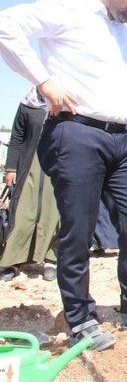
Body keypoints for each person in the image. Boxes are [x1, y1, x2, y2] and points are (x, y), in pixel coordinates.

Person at [0, 0, 127, 351]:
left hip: (120, 139)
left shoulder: (123, 30)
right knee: (78, 230)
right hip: (76, 133)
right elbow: (5, 25)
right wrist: (44, 81)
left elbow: (110, 83)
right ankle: (81, 319)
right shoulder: (69, 9)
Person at [1, 91, 58, 282]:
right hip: (28, 166)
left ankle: (50, 259)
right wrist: (10, 168)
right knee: (22, 212)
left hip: (55, 167)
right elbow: (17, 138)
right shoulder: (28, 104)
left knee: (53, 214)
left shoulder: (66, 103)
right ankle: (13, 261)